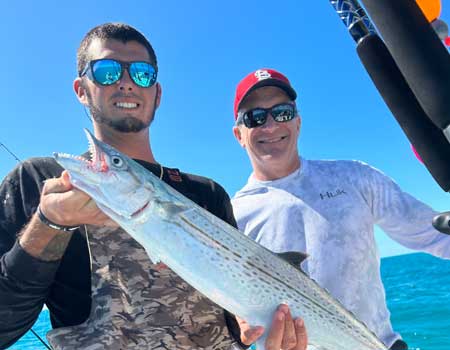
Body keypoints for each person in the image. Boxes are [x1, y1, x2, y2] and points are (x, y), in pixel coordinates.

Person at [0, 25, 308, 350]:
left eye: (142, 74)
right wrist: (49, 224)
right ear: (81, 88)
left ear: (157, 94)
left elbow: (233, 315)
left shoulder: (207, 194)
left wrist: (253, 331)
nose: (126, 82)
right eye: (106, 71)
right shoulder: (38, 181)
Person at [230, 68, 450, 350]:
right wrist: (239, 335)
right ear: (239, 134)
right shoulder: (231, 217)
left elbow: (433, 233)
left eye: (282, 112)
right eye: (255, 117)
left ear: (297, 123)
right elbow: (232, 323)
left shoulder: (355, 177)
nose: (270, 125)